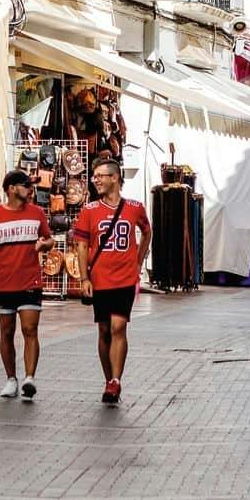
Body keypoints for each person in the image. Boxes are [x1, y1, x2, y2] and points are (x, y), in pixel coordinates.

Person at [75, 157, 150, 406]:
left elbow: (147, 231)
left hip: (125, 277)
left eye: (100, 176)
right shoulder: (89, 211)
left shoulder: (135, 207)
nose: (96, 180)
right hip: (99, 278)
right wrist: (85, 276)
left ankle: (116, 380)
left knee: (119, 326)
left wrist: (139, 261)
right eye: (94, 176)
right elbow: (82, 244)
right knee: (104, 329)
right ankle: (108, 378)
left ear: (115, 178)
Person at [0, 169, 54, 400]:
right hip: (4, 282)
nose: (29, 189)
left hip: (30, 280)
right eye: (25, 185)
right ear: (11, 188)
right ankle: (11, 378)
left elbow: (48, 238)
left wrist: (44, 244)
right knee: (6, 332)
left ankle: (29, 378)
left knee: (30, 330)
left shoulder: (37, 213)